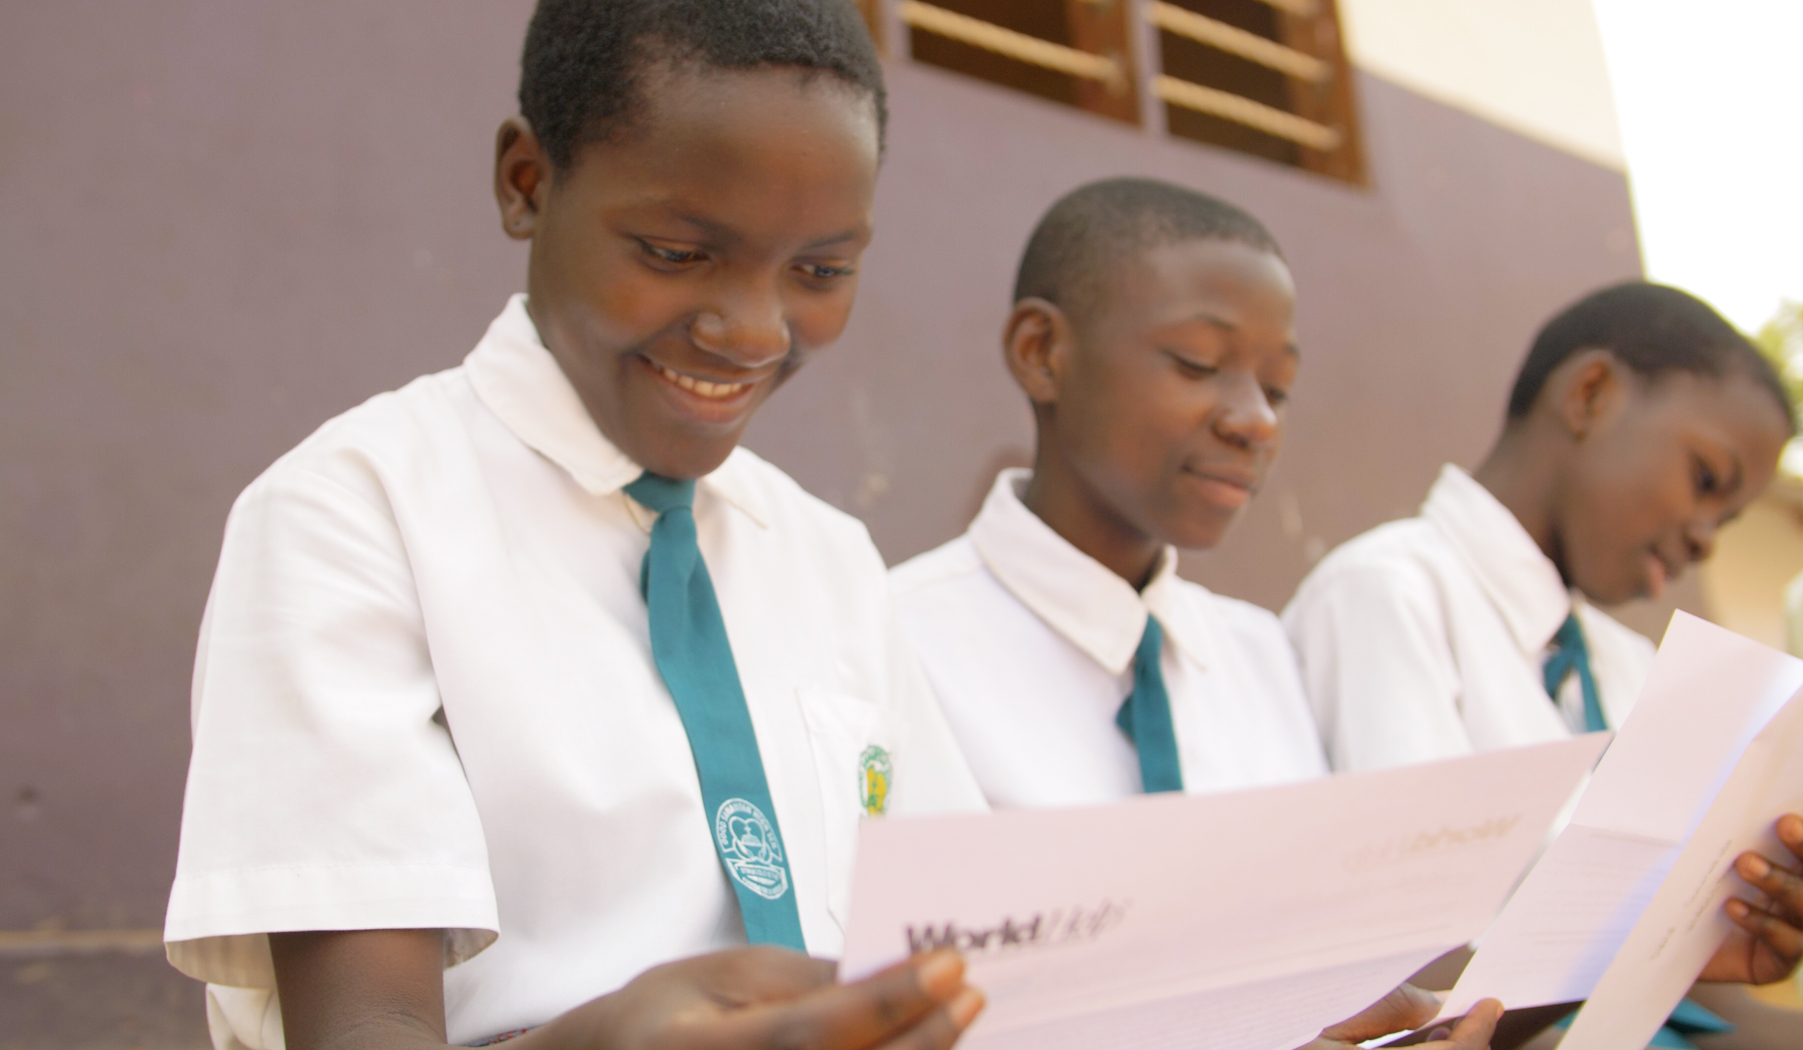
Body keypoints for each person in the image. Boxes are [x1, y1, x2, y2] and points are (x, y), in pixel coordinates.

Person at [162, 3, 988, 1049]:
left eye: (820, 271)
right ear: (527, 183)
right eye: (676, 251)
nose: (753, 330)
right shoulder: (353, 516)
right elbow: (365, 1028)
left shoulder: (831, 560)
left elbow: (961, 942)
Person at [890, 177, 1501, 1048]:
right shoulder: (892, 644)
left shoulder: (1259, 654)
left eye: (1277, 389)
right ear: (1041, 352)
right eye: (1196, 364)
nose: (1255, 422)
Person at [1283, 282, 1803, 1035]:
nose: (1704, 539)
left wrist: (1726, 928)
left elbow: (1692, 1002)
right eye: (1704, 481)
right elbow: (1415, 974)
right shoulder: (1389, 594)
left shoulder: (1630, 665)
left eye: (1724, 520)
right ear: (1590, 395)